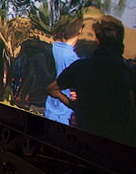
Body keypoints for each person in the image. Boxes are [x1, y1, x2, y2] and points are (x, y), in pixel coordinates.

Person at [47, 16, 135, 144]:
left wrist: (73, 106)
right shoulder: (127, 70)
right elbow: (131, 108)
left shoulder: (81, 66)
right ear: (121, 40)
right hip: (119, 142)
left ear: (97, 40)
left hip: (85, 138)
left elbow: (51, 89)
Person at [44, 19, 82, 125]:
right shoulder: (75, 58)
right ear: (80, 30)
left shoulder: (55, 47)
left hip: (50, 107)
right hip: (64, 111)